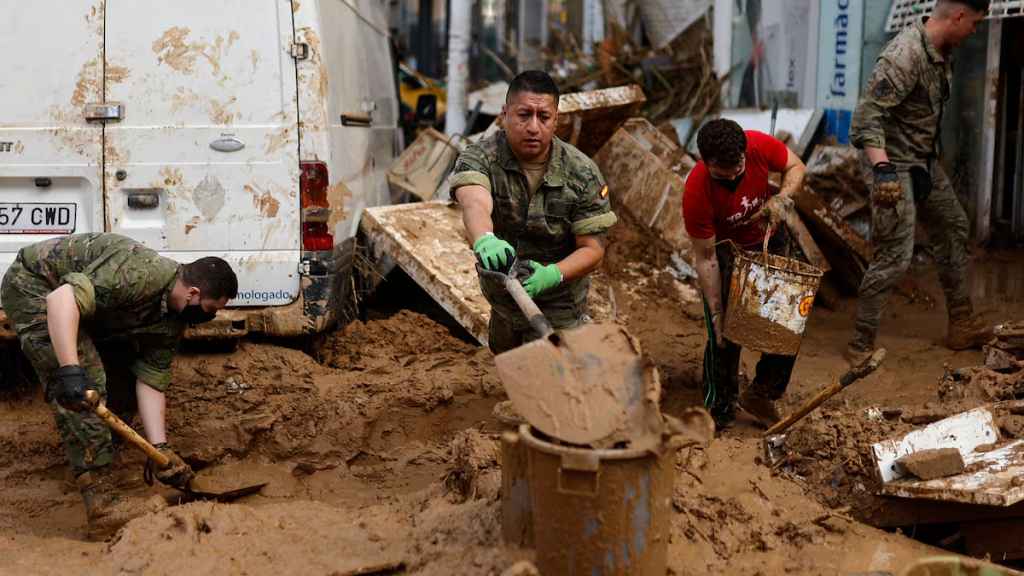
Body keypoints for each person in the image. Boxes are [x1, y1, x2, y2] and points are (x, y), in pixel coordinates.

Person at [0, 233, 237, 536]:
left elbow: (151, 381)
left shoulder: (171, 320)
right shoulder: (142, 274)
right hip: (34, 286)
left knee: (122, 385)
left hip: (79, 308)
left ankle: (101, 470)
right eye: (210, 309)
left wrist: (159, 449)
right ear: (192, 293)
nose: (210, 317)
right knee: (87, 386)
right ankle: (102, 505)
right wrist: (71, 370)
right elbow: (61, 299)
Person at [845, 0, 991, 367]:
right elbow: (865, 121)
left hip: (922, 161)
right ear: (957, 16)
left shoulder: (943, 52)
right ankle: (860, 343)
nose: (975, 32)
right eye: (974, 23)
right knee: (895, 255)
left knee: (954, 224)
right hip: (891, 165)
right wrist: (883, 172)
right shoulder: (903, 55)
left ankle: (961, 322)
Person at [449, 70, 617, 354]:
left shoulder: (582, 173)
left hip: (559, 303)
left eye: (544, 117)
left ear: (556, 119)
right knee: (511, 370)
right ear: (504, 114)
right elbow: (474, 201)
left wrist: (553, 274)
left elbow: (593, 249)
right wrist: (484, 238)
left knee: (558, 380)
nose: (533, 127)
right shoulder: (480, 157)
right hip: (504, 300)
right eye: (524, 115)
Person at [682, 118, 807, 429]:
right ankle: (719, 407)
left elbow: (796, 167)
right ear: (706, 162)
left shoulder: (758, 145)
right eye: (724, 173)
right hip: (726, 252)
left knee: (786, 323)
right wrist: (715, 310)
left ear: (744, 152)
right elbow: (706, 257)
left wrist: (782, 198)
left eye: (738, 166)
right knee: (724, 332)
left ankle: (762, 393)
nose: (735, 175)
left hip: (767, 239)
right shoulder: (697, 190)